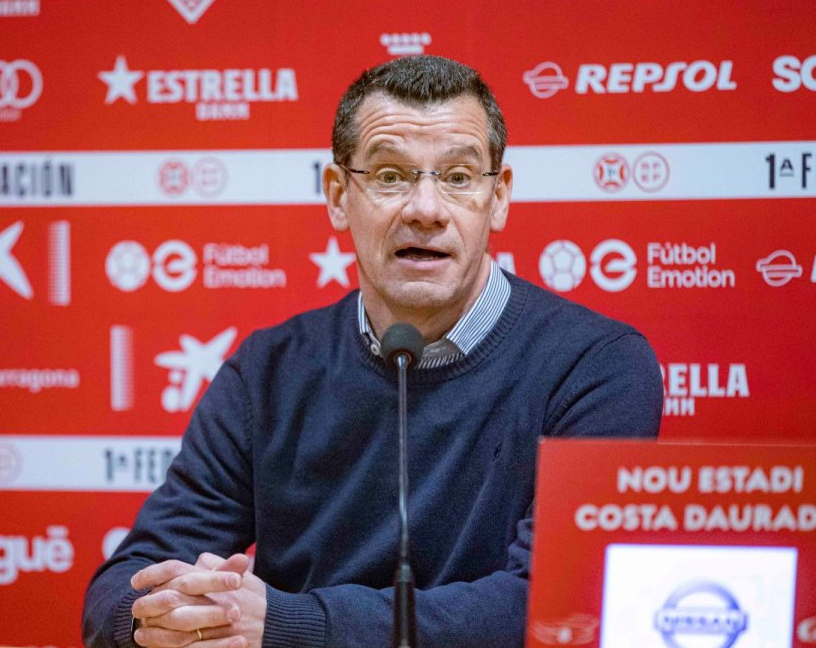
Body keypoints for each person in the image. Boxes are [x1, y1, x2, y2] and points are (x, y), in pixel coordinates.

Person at [82, 55, 663, 647]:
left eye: (459, 177)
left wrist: (289, 626)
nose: (426, 209)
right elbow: (124, 586)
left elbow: (554, 604)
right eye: (390, 176)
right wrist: (159, 618)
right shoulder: (268, 370)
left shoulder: (597, 367)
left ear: (499, 197)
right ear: (339, 196)